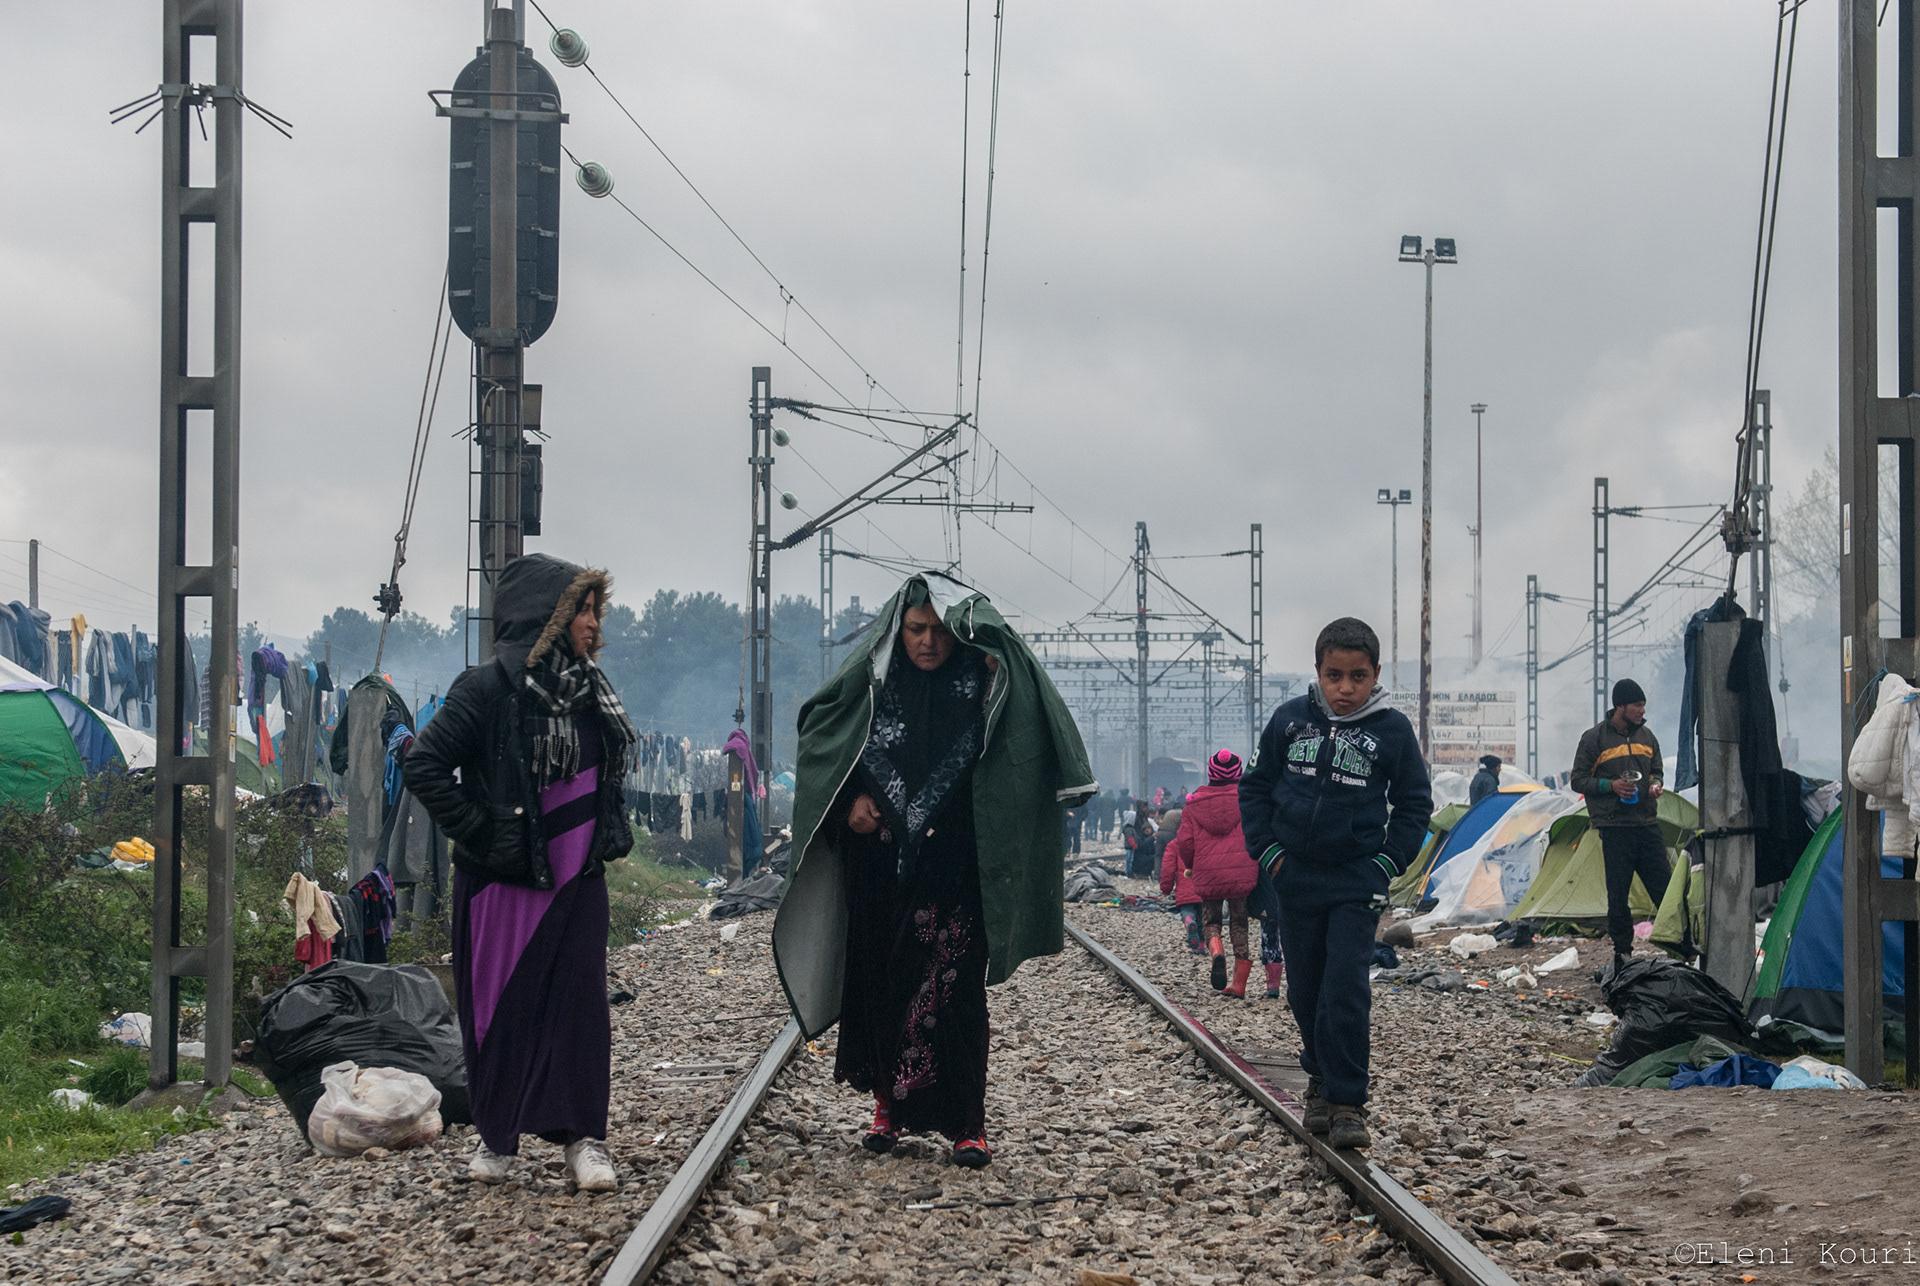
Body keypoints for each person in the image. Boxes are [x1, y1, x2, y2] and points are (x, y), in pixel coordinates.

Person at [773, 574, 1094, 1169]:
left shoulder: (985, 683)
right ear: (898, 630)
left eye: (939, 631)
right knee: (882, 983)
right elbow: (825, 740)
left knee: (958, 992)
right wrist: (849, 807)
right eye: (915, 630)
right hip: (880, 866)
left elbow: (1022, 743)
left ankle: (968, 1125)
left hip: (958, 866)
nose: (927, 642)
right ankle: (886, 1109)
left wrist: (1000, 669)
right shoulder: (873, 682)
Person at [404, 553, 636, 1190]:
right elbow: (424, 765)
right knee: (500, 1013)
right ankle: (497, 1139)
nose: (593, 622)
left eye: (595, 609)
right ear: (546, 616)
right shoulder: (486, 689)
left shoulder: (592, 692)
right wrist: (481, 830)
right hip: (505, 885)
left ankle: (584, 1140)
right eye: (582, 609)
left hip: (578, 881)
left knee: (581, 1009)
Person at [1240, 617, 1431, 1149]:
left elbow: (1415, 805)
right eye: (1334, 676)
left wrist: (1385, 865)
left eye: (1358, 677)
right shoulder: (1288, 720)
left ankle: (1347, 1102)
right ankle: (1319, 1080)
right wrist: (1271, 855)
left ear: (1376, 675)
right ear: (1318, 672)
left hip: (1356, 883)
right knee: (1305, 988)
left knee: (1344, 989)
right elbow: (1254, 789)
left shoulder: (1392, 730)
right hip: (1294, 878)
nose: (1345, 688)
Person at [1569, 678, 1669, 966]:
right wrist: (1610, 786)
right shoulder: (1594, 739)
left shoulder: (1647, 737)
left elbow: (1657, 770)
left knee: (1665, 889)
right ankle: (1622, 953)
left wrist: (1655, 784)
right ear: (1620, 706)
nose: (1642, 710)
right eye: (1637, 705)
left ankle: (1681, 946)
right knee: (1618, 894)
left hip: (1647, 823)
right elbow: (1578, 780)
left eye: (1643, 705)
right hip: (1614, 828)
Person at [1166, 750, 1258, 996]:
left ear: (1211, 774)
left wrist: (1191, 866)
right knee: (1239, 923)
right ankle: (1239, 985)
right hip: (1241, 871)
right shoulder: (1248, 800)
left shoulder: (1193, 804)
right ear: (1238, 773)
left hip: (1208, 873)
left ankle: (1217, 951)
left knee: (1211, 921)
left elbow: (1185, 842)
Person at [1157, 803, 1206, 954]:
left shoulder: (1174, 844)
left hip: (1185, 887)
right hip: (1203, 887)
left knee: (1187, 910)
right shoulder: (1203, 842)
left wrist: (1166, 888)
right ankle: (1200, 947)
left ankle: (1188, 921)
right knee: (1202, 917)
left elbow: (1167, 868)